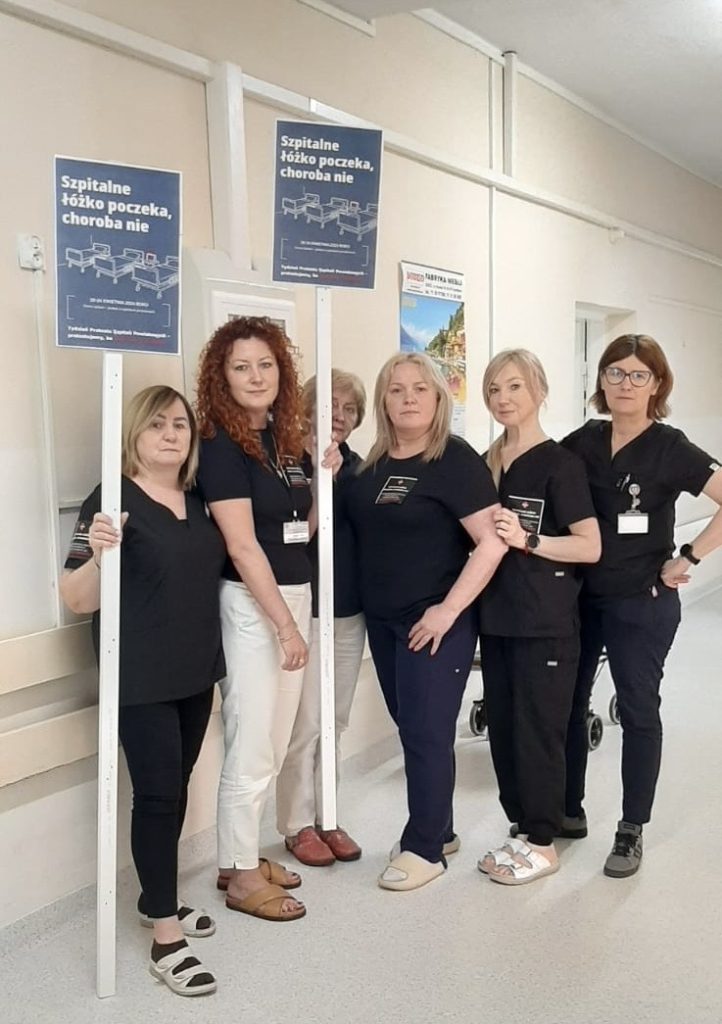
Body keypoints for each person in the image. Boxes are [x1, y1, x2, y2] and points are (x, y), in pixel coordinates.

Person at [60, 385, 224, 997]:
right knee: (156, 798)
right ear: (133, 433)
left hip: (195, 673)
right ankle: (165, 940)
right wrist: (101, 556)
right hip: (140, 677)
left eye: (180, 424)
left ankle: (159, 898)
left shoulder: (199, 500)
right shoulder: (111, 499)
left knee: (175, 790)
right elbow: (76, 598)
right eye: (156, 424)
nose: (171, 434)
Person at [195, 315, 340, 922]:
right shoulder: (220, 448)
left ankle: (239, 858)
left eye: (265, 365)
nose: (256, 377)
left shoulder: (282, 442)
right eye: (241, 367)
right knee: (253, 740)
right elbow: (242, 546)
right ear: (221, 378)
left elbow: (297, 530)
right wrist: (284, 625)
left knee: (275, 740)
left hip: (291, 593)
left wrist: (324, 478)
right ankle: (239, 874)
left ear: (281, 371)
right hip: (254, 606)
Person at [562, 334, 722, 877]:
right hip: (580, 599)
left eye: (638, 375)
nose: (625, 384)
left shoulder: (671, 448)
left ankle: (631, 829)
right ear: (601, 381)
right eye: (615, 373)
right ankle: (567, 810)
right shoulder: (584, 440)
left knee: (637, 710)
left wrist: (689, 557)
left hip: (642, 601)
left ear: (657, 385)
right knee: (569, 703)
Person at [345, 352, 506, 891]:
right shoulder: (372, 465)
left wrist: (448, 610)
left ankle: (425, 848)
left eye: (420, 388)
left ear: (439, 399)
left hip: (435, 621)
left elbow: (491, 543)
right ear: (383, 401)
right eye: (396, 389)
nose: (408, 398)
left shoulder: (454, 460)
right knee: (412, 727)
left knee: (427, 732)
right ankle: (442, 828)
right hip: (384, 621)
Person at [475, 350, 600, 886]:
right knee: (503, 731)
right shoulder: (487, 460)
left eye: (515, 387)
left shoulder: (560, 465)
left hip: (545, 622)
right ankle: (522, 829)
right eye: (494, 389)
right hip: (497, 619)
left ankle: (544, 841)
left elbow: (589, 546)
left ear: (539, 392)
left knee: (538, 732)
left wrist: (530, 540)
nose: (503, 398)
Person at [276, 369, 367, 866]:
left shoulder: (361, 468)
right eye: (331, 404)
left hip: (349, 614)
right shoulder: (286, 463)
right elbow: (292, 537)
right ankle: (297, 824)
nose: (339, 415)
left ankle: (327, 815)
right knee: (306, 723)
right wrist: (317, 476)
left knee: (335, 721)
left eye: (349, 408)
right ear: (307, 408)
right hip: (304, 612)